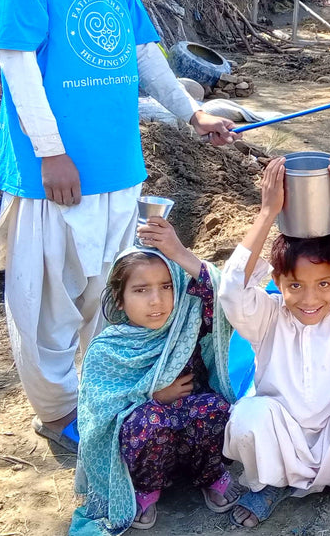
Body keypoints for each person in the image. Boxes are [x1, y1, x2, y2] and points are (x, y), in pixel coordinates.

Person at [0, 0, 235, 453]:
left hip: (118, 165)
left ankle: (103, 395)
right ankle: (56, 412)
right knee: (45, 304)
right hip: (53, 172)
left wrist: (191, 113)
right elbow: (16, 61)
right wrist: (49, 150)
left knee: (108, 291)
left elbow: (145, 54)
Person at [220, 156, 330, 526]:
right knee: (249, 415)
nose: (310, 299)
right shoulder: (266, 316)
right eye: (295, 286)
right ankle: (268, 484)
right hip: (282, 445)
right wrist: (268, 212)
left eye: (323, 284)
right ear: (277, 282)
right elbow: (232, 288)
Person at [71, 218, 239, 534]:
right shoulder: (108, 348)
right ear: (119, 299)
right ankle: (146, 491)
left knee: (218, 410)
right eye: (141, 290)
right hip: (147, 448)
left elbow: (224, 298)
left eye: (166, 287)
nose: (156, 300)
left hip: (193, 437)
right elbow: (99, 413)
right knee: (147, 421)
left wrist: (179, 251)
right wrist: (152, 395)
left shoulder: (186, 324)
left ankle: (209, 475)